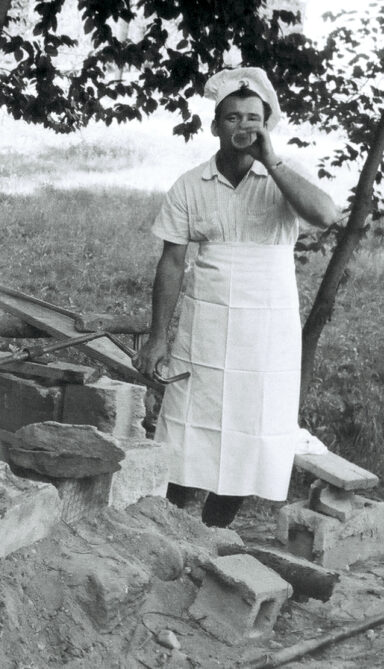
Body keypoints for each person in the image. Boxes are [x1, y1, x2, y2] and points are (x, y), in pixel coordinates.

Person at [133, 67, 338, 528]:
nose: (243, 126)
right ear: (214, 126)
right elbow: (171, 264)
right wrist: (157, 338)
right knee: (188, 426)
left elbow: (325, 214)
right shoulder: (191, 184)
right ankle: (167, 525)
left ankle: (213, 532)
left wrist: (274, 162)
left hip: (268, 329)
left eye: (252, 117)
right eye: (232, 117)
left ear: (266, 125)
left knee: (254, 428)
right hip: (206, 325)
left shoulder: (282, 178)